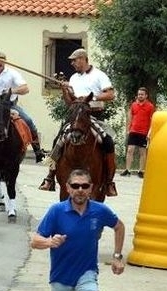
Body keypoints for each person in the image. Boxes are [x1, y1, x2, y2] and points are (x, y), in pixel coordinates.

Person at [40, 48, 118, 195]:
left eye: (74, 60)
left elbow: (110, 94)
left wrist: (92, 97)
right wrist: (65, 90)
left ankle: (109, 182)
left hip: (93, 115)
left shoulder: (99, 75)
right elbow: (70, 103)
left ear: (83, 59)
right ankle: (50, 177)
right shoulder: (74, 78)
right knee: (59, 140)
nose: (72, 63)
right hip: (76, 115)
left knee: (107, 141)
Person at [123, 87, 155, 178]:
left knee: (142, 152)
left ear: (146, 96)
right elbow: (130, 117)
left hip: (144, 132)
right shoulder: (133, 105)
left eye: (142, 94)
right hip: (133, 130)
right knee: (130, 150)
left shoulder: (150, 106)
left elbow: (153, 120)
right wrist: (127, 130)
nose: (140, 96)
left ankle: (140, 171)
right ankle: (127, 170)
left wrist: (149, 133)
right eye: (139, 94)